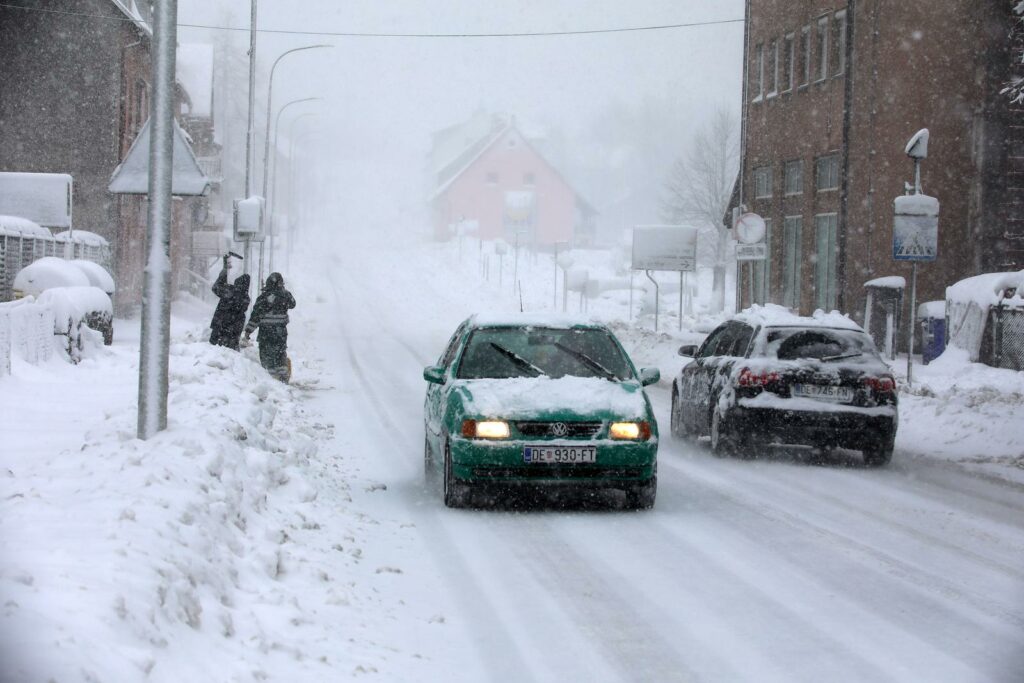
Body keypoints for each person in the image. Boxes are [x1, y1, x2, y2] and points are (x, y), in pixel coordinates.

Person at [244, 272, 296, 382]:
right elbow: (293, 304)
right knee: (280, 354)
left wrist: (248, 331)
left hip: (265, 333)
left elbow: (255, 317)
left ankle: (270, 378)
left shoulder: (262, 298)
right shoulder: (286, 296)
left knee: (266, 355)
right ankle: (282, 377)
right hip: (280, 332)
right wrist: (283, 291)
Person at [209, 257, 250, 350]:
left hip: (220, 328)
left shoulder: (230, 291)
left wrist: (224, 270)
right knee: (230, 353)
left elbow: (216, 287)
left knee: (214, 350)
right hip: (234, 332)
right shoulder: (246, 298)